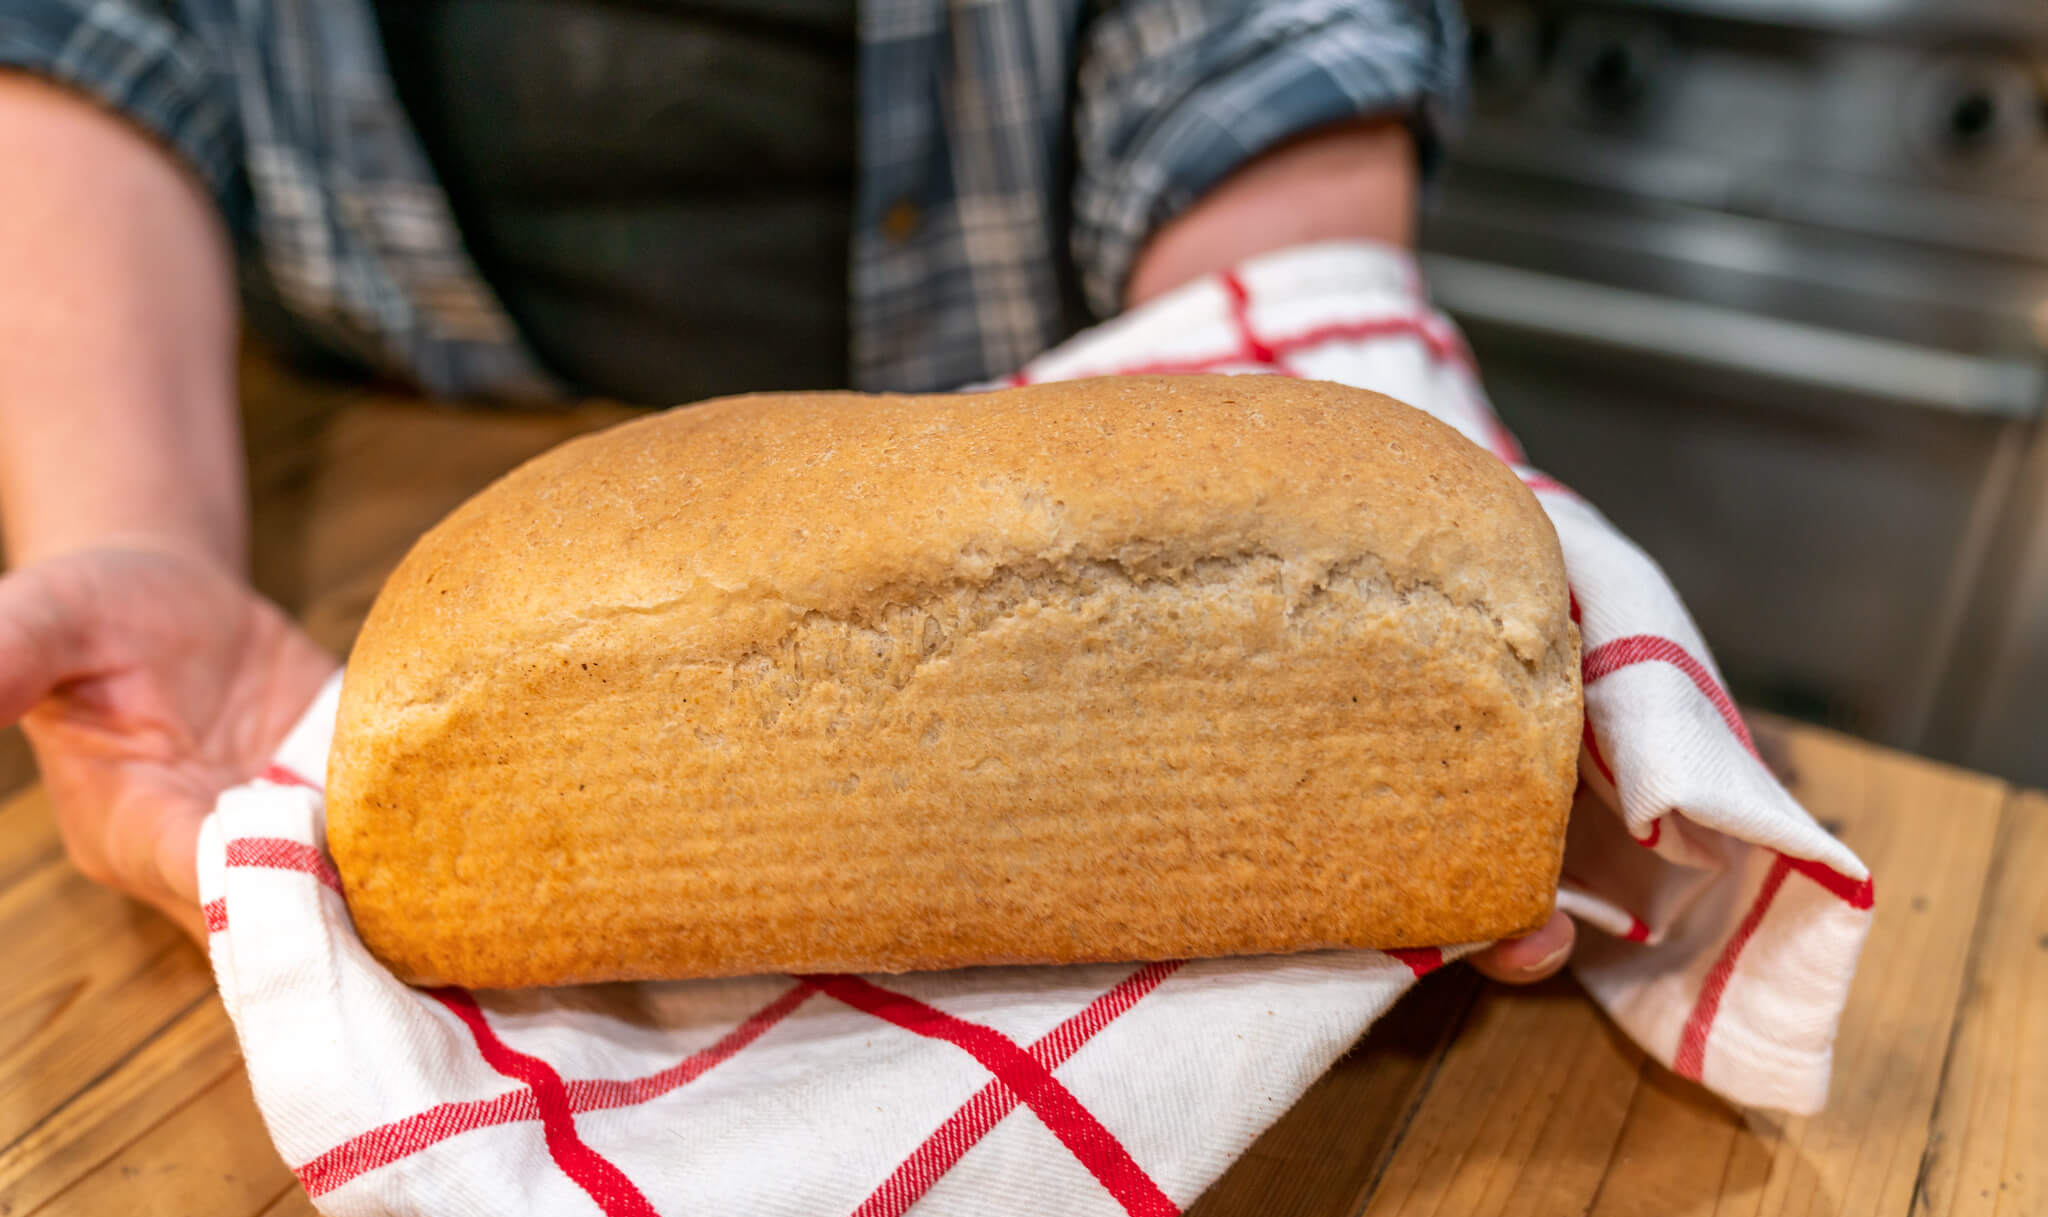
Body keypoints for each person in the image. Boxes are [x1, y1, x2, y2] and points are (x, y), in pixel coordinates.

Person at [0, 0, 1574, 982]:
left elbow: (1261, 42)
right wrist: (129, 525)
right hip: (378, 435)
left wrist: (1306, 395)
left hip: (1065, 357)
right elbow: (85, 28)